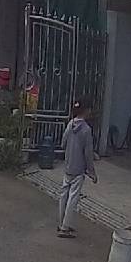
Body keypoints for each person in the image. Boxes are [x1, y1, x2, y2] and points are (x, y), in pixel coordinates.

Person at [57, 100, 98, 238]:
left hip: (68, 165)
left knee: (64, 195)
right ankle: (65, 227)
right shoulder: (86, 130)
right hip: (79, 169)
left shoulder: (70, 124)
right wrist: (92, 172)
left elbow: (63, 143)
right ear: (86, 110)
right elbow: (88, 153)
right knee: (73, 198)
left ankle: (61, 222)